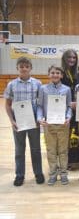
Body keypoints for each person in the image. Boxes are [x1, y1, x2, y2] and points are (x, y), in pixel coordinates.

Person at [4, 57, 45, 186]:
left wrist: (39, 118)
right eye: (21, 66)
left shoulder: (37, 84)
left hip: (33, 121)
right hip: (18, 122)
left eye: (26, 66)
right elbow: (8, 105)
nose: (24, 68)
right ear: (17, 68)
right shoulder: (11, 85)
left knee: (36, 149)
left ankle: (38, 173)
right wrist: (12, 121)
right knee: (19, 149)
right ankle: (19, 175)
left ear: (30, 68)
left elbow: (40, 104)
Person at [37, 65, 72, 185]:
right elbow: (40, 106)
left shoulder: (67, 89)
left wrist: (68, 117)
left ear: (61, 75)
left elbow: (69, 106)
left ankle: (63, 173)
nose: (55, 75)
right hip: (49, 124)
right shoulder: (43, 89)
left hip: (63, 124)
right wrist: (39, 118)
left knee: (63, 151)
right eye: (52, 73)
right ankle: (52, 173)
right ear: (48, 75)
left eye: (58, 73)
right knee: (51, 150)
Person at [61, 49, 79, 165]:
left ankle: (77, 157)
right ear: (65, 58)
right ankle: (66, 160)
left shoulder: (78, 74)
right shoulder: (61, 73)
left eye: (74, 58)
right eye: (69, 57)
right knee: (66, 134)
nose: (72, 60)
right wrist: (69, 103)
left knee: (78, 133)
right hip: (65, 108)